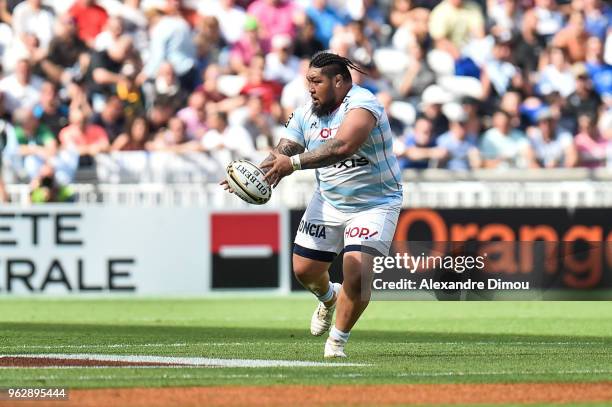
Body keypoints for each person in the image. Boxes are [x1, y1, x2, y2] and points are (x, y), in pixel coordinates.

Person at [223, 52, 403, 358]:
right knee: (304, 270)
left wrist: (291, 164)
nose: (310, 88)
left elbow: (343, 146)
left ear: (338, 81)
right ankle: (328, 298)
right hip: (329, 200)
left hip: (375, 202)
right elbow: (285, 149)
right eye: (308, 81)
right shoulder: (306, 113)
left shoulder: (363, 105)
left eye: (316, 81)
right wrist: (255, 174)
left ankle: (336, 342)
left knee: (357, 272)